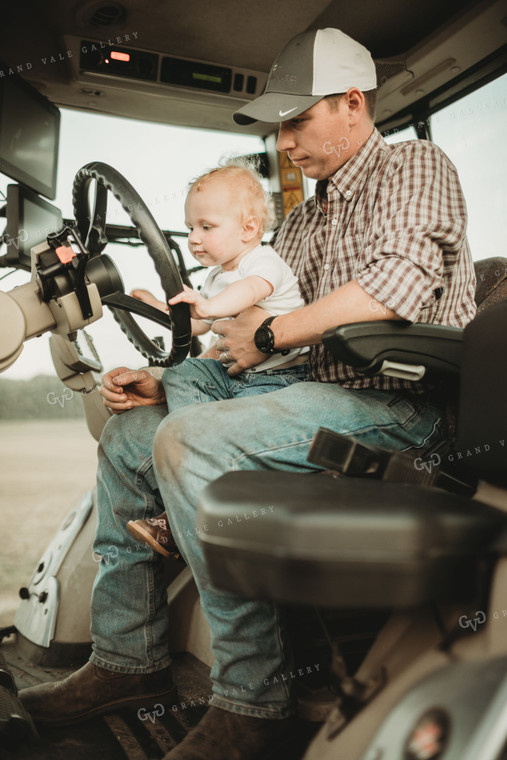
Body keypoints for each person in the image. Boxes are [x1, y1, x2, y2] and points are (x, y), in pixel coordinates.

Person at [19, 27, 476, 760]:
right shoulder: (300, 221)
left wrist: (271, 334)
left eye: (297, 120)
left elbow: (392, 290)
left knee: (192, 437)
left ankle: (252, 700)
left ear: (352, 105)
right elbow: (247, 328)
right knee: (130, 435)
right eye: (280, 124)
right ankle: (126, 660)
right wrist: (169, 377)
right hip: (305, 392)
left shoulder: (414, 166)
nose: (285, 139)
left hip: (400, 410)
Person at [126, 160, 308, 556]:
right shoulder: (213, 279)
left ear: (248, 229)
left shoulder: (261, 262)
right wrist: (161, 308)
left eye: (206, 228)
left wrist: (207, 308)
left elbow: (247, 293)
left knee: (231, 423)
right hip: (237, 374)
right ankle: (192, 448)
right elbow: (198, 326)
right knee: (181, 372)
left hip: (280, 379)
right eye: (191, 227)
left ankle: (200, 508)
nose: (194, 238)